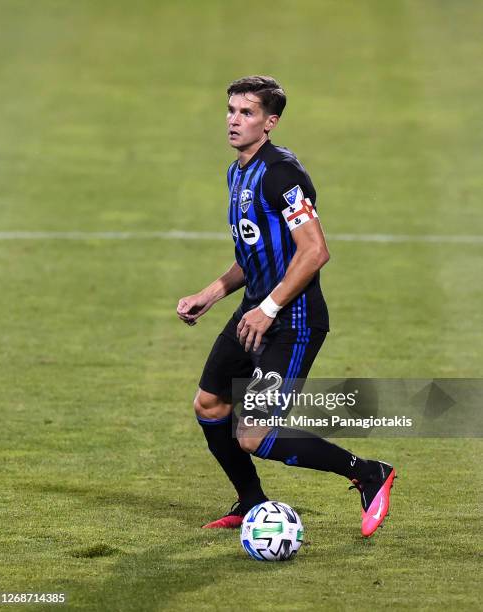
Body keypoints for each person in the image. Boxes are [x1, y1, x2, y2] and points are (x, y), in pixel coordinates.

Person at [177, 76, 396, 537]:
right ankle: (251, 501)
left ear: (270, 122)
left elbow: (314, 251)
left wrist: (270, 308)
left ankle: (368, 471)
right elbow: (254, 254)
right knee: (212, 404)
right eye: (232, 110)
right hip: (254, 313)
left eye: (248, 113)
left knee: (252, 434)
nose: (235, 120)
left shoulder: (282, 175)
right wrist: (212, 292)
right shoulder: (238, 171)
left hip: (290, 322)